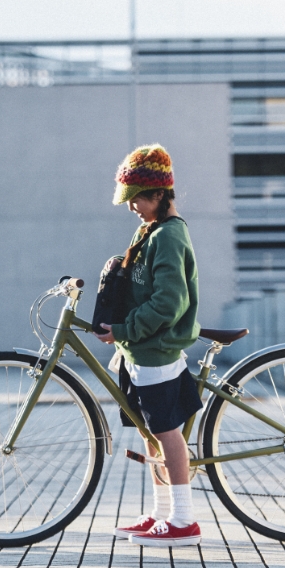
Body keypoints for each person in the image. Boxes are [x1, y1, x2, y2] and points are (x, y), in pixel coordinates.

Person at [95, 144, 203, 547]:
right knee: (149, 432)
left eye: (137, 198)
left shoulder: (170, 236)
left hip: (155, 350)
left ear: (159, 194)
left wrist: (124, 329)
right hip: (139, 350)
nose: (131, 207)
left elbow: (168, 302)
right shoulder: (150, 231)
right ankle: (161, 513)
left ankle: (183, 520)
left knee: (166, 431)